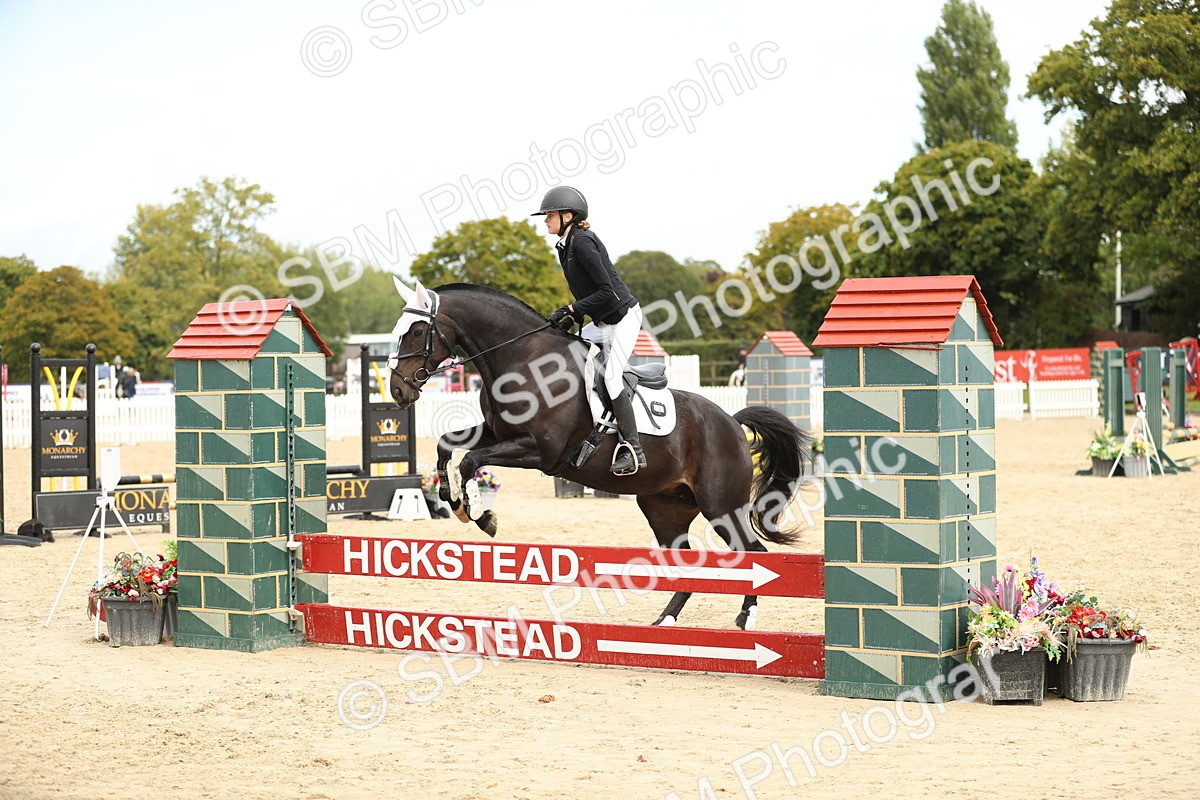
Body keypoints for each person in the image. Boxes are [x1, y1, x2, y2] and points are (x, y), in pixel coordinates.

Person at [532, 186, 646, 476]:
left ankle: (634, 449)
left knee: (611, 375)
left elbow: (607, 292)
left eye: (550, 215)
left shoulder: (582, 242)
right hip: (602, 322)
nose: (545, 220)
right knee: (567, 350)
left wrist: (573, 310)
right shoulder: (565, 246)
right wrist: (573, 316)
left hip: (622, 319)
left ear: (567, 216)